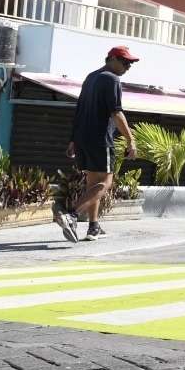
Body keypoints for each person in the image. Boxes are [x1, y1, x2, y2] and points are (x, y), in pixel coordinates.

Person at [59, 46, 139, 243]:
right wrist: (130, 139)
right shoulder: (112, 79)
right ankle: (71, 215)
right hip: (100, 139)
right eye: (125, 62)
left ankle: (93, 226)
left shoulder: (91, 77)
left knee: (93, 184)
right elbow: (116, 112)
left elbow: (79, 109)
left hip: (83, 138)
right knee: (106, 182)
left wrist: (73, 139)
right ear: (111, 59)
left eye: (130, 64)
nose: (128, 67)